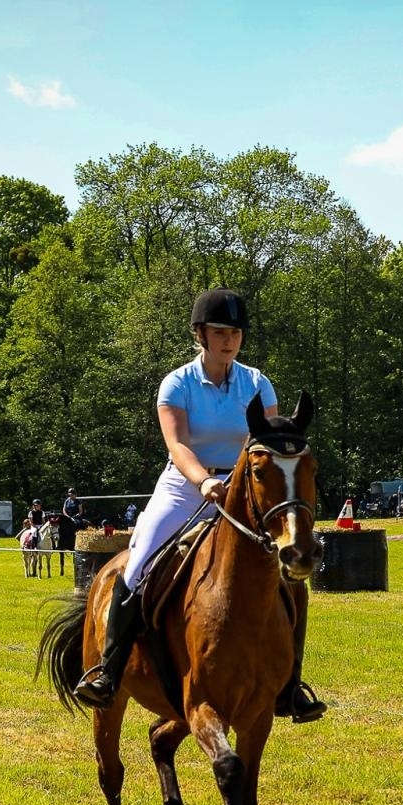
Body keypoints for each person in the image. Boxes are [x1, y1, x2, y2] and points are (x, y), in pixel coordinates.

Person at [73, 288, 325, 723]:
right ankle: (108, 673)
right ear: (201, 335)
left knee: (290, 581)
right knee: (135, 569)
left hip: (244, 492)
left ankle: (290, 688)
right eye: (220, 332)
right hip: (185, 488)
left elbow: (265, 444)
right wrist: (205, 480)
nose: (229, 340)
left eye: (236, 332)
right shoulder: (178, 383)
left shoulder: (257, 382)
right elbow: (177, 446)